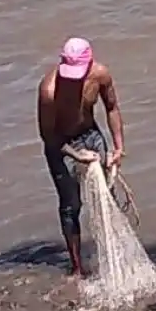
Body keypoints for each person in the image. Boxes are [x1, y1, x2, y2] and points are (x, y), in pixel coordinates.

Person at [37, 37, 125, 278]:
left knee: (108, 196)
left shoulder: (100, 75)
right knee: (71, 205)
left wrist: (118, 147)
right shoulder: (49, 90)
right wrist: (77, 155)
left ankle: (113, 253)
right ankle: (77, 267)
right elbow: (48, 136)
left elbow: (112, 107)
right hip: (62, 144)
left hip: (91, 134)